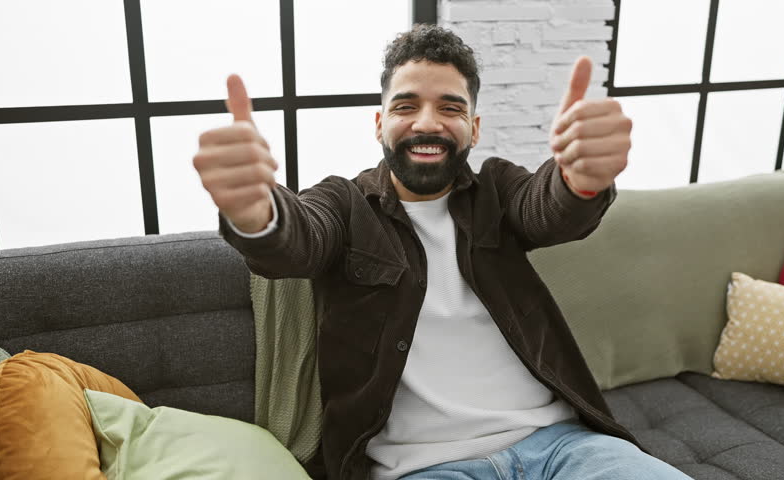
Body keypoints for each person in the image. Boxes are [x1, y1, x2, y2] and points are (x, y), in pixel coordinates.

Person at [193, 24, 692, 480]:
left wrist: (581, 180)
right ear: (379, 122)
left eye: (450, 108)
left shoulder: (497, 187)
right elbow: (297, 241)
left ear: (474, 128)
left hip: (562, 446)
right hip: (425, 466)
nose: (427, 123)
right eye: (406, 106)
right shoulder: (344, 204)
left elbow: (547, 208)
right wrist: (256, 210)